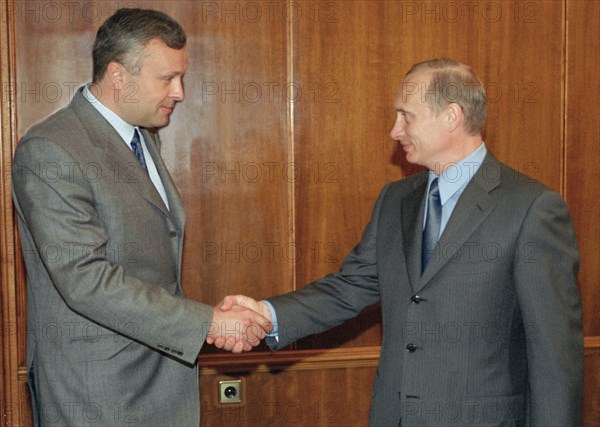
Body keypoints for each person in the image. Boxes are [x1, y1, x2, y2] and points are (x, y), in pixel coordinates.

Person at [212, 59, 583, 426]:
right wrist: (266, 314)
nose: (394, 130)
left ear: (451, 116)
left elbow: (554, 354)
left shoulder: (531, 208)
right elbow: (351, 286)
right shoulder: (396, 200)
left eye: (407, 116)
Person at [12, 8, 269, 427]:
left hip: (156, 383)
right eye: (167, 78)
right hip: (95, 393)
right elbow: (85, 279)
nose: (180, 92)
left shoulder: (143, 137)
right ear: (118, 76)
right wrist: (208, 322)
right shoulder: (51, 150)